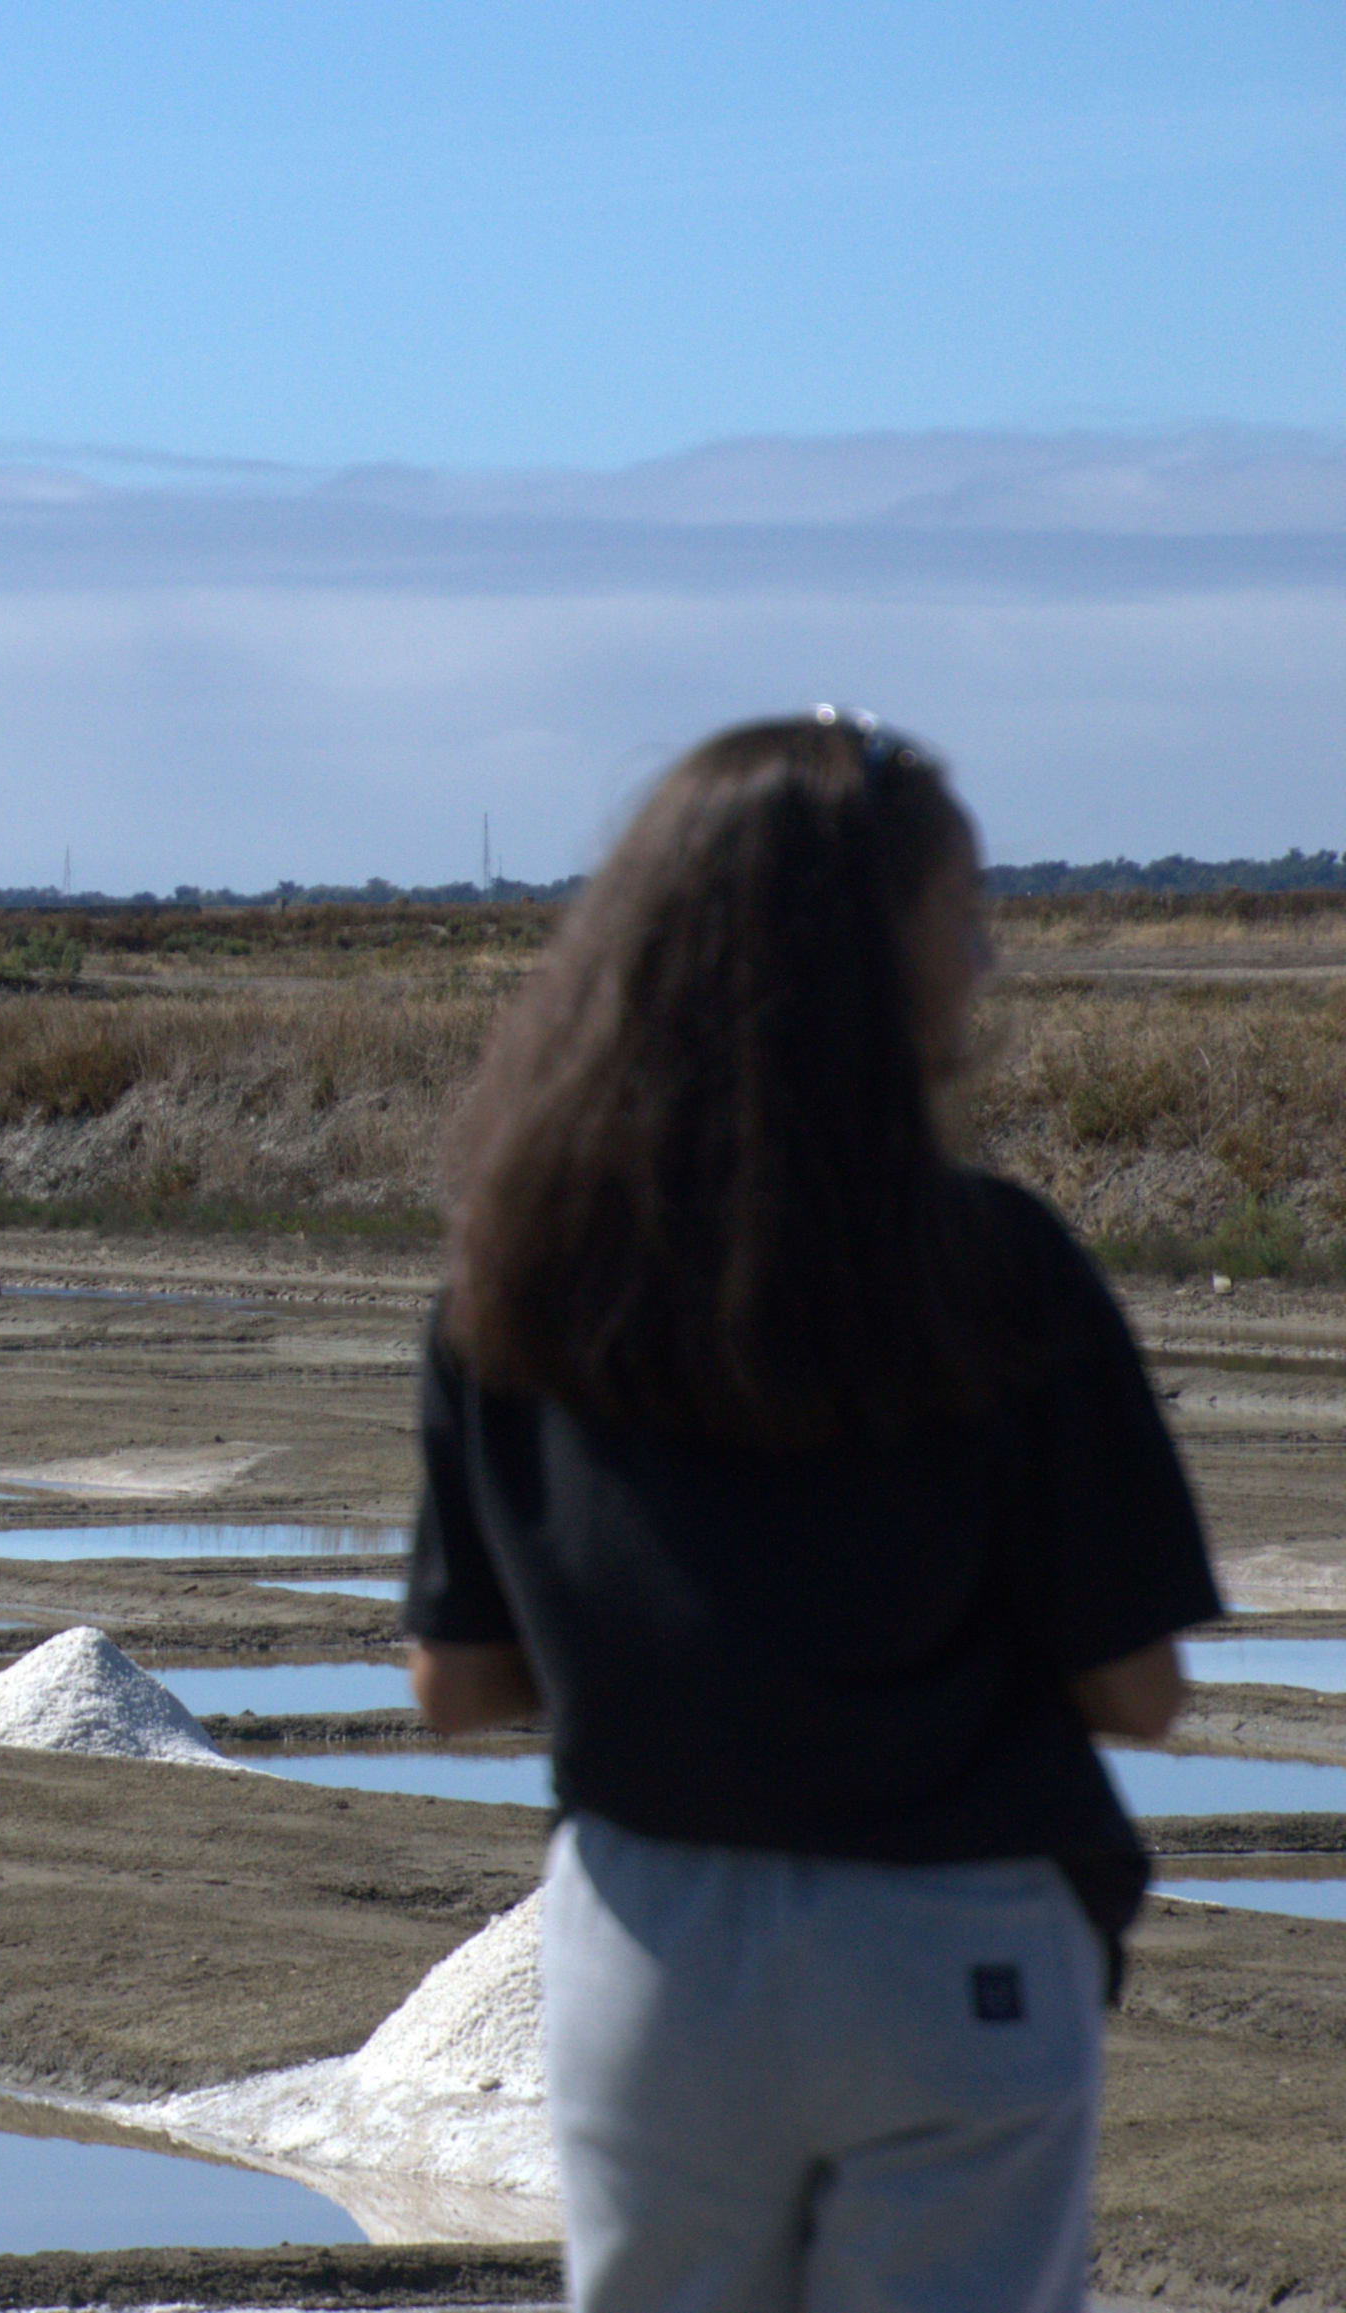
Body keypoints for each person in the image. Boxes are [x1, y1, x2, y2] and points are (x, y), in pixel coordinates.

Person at [403, 711, 1219, 2313]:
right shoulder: (999, 1267)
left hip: (654, 1946)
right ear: (870, 963)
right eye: (963, 920)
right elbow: (1141, 1687)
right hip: (953, 1939)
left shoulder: (516, 1280)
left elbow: (456, 1681)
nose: (984, 963)